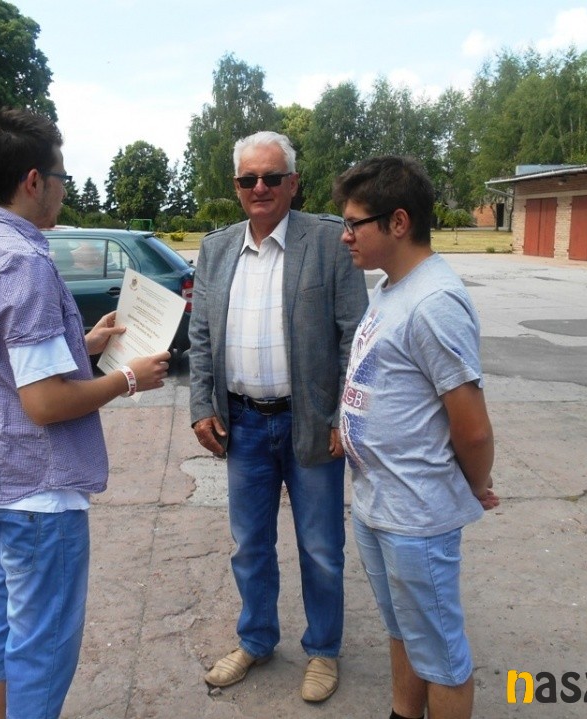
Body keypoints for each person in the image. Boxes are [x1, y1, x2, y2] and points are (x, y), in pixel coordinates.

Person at [0, 108, 170, 719]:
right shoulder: (23, 261)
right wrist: (128, 377)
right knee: (42, 644)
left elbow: (2, 357)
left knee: (1, 618)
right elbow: (44, 402)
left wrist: (82, 345)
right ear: (34, 180)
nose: (65, 190)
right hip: (37, 488)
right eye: (62, 177)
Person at [189, 130, 369, 703]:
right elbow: (200, 336)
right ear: (236, 186)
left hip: (310, 423)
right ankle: (257, 639)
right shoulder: (217, 249)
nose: (259, 187)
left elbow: (355, 336)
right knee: (249, 544)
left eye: (271, 177)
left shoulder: (328, 241)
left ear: (293, 183)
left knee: (320, 547)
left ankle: (323, 650)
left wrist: (344, 415)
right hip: (241, 424)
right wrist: (201, 407)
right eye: (249, 179)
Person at [332, 156, 500, 719]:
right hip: (379, 502)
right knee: (403, 629)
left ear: (398, 222)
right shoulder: (390, 289)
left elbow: (472, 427)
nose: (346, 235)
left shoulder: (434, 301)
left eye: (355, 223)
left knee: (441, 655)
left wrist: (474, 485)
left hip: (416, 512)